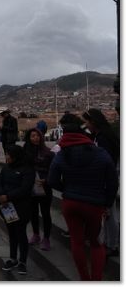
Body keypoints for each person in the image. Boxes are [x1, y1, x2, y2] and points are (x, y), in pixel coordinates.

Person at [48, 113, 118, 281]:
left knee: (77, 242)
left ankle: (84, 279)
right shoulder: (100, 153)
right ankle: (96, 279)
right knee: (95, 243)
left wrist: (67, 189)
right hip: (94, 204)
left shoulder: (62, 155)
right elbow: (113, 182)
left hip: (71, 203)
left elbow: (52, 180)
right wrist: (107, 204)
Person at [82, 108, 120, 257]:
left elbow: (106, 160)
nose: (86, 125)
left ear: (93, 121)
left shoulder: (103, 138)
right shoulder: (100, 135)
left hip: (106, 179)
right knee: (108, 213)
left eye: (87, 122)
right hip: (104, 178)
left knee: (110, 214)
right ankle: (109, 242)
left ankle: (113, 245)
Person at [0, 145, 35, 275]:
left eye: (8, 154)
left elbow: (25, 188)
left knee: (21, 233)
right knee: (12, 232)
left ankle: (22, 261)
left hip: (21, 206)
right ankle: (13, 258)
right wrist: (0, 194)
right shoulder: (6, 168)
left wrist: (8, 196)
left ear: (15, 156)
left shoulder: (27, 169)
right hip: (7, 207)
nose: (6, 157)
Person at [23, 128, 55, 251]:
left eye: (37, 135)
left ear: (41, 137)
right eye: (32, 136)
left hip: (44, 187)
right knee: (33, 212)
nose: (35, 138)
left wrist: (46, 180)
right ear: (29, 138)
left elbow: (53, 171)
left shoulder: (48, 153)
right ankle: (36, 234)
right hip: (31, 187)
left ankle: (46, 238)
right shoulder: (25, 153)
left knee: (46, 213)